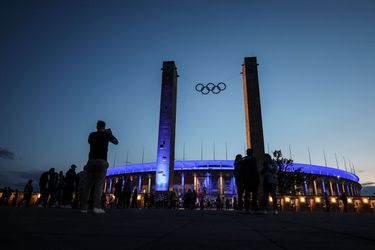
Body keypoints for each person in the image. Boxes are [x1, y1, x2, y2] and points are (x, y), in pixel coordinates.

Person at [80, 120, 119, 214]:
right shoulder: (107, 135)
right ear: (104, 126)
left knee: (88, 185)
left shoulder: (92, 135)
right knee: (98, 185)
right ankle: (96, 207)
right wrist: (110, 133)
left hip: (91, 160)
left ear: (97, 126)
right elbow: (116, 142)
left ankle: (83, 208)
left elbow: (89, 142)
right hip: (102, 161)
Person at [242, 148, 259, 213]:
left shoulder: (244, 160)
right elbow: (255, 170)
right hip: (253, 179)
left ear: (247, 153)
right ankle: (254, 208)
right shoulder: (253, 159)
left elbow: (243, 171)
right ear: (252, 153)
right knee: (254, 194)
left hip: (247, 179)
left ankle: (247, 208)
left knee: (247, 194)